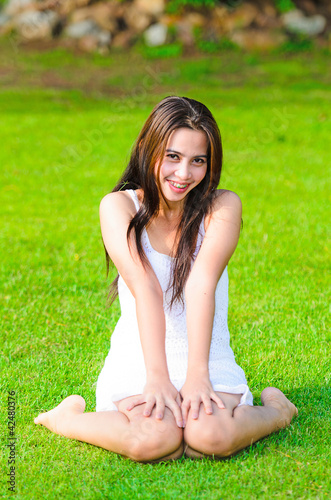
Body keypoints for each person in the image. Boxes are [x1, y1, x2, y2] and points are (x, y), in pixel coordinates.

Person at [34, 96, 297, 463]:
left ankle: (278, 411)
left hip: (207, 355)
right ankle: (66, 419)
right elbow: (146, 289)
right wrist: (156, 377)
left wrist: (198, 375)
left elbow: (201, 283)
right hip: (139, 358)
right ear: (148, 148)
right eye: (172, 156)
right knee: (155, 441)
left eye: (198, 160)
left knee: (210, 437)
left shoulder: (222, 207)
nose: (184, 173)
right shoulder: (119, 207)